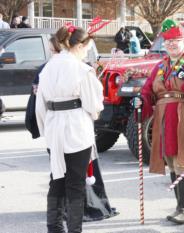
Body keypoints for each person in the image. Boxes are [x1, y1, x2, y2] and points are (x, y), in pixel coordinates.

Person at [133, 19, 184, 224]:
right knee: (171, 161)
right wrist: (140, 100)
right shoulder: (161, 65)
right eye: (168, 41)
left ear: (183, 42)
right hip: (163, 118)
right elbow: (148, 90)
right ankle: (180, 206)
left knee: (182, 163)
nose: (171, 45)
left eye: (176, 41)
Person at [35, 25, 104, 233]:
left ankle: (54, 228)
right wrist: (95, 113)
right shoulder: (81, 69)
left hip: (54, 126)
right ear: (80, 45)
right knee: (75, 183)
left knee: (57, 178)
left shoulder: (48, 67)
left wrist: (47, 128)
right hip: (76, 128)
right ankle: (74, 230)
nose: (87, 52)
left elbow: (40, 104)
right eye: (87, 47)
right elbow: (94, 106)